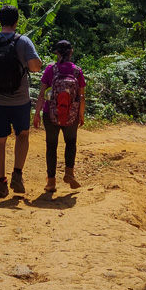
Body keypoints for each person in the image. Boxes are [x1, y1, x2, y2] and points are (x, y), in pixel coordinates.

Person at [0, 4, 42, 198]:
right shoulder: (24, 41)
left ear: (0, 21)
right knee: (23, 135)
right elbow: (36, 67)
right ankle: (17, 175)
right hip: (20, 101)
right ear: (16, 21)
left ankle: (0, 183)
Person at [33, 39, 85, 192]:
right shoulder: (77, 71)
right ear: (71, 52)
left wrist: (37, 113)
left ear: (57, 53)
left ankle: (51, 182)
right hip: (71, 114)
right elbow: (81, 96)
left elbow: (42, 94)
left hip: (51, 114)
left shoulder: (51, 69)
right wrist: (81, 114)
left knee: (51, 146)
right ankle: (69, 173)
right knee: (71, 142)